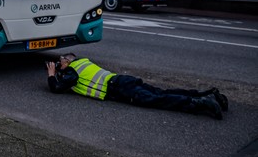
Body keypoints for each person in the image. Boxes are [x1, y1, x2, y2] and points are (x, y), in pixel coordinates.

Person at [46, 53, 228, 120]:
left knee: (159, 99)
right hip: (122, 81)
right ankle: (209, 94)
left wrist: (52, 74)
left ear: (67, 61)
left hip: (119, 88)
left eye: (61, 61)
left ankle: (201, 103)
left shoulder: (73, 70)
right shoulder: (83, 63)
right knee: (161, 93)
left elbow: (57, 88)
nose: (59, 64)